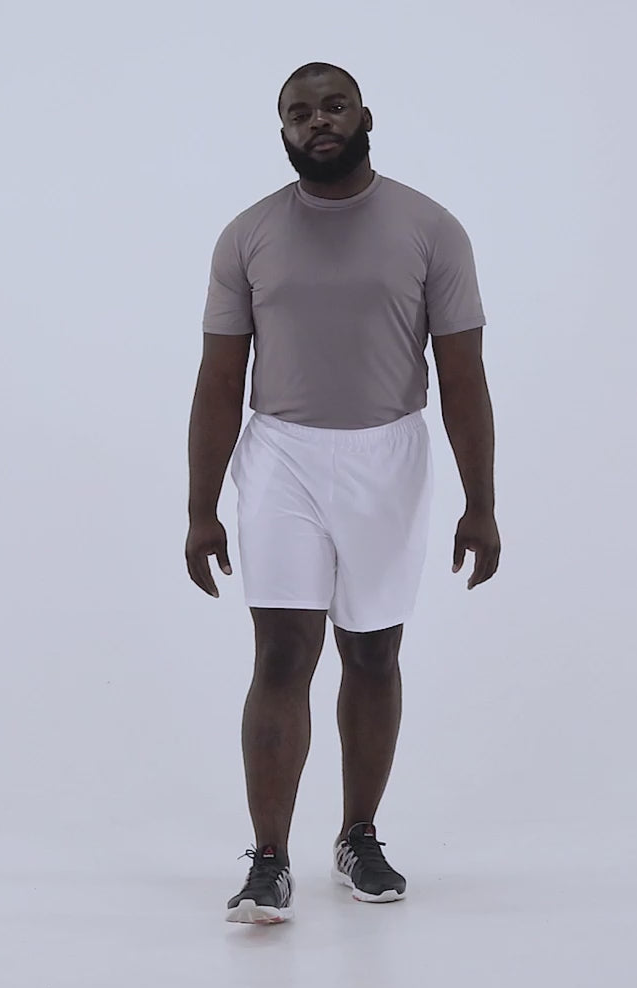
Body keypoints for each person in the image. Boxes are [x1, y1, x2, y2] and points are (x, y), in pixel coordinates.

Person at [185, 62, 501, 925]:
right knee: (283, 655)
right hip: (281, 455)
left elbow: (463, 375)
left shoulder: (431, 228)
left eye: (334, 106)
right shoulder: (248, 235)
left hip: (387, 455)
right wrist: (200, 508)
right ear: (282, 132)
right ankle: (269, 859)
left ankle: (358, 835)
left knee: (371, 653)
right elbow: (219, 379)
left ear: (366, 117)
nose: (318, 121)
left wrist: (481, 502)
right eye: (300, 112)